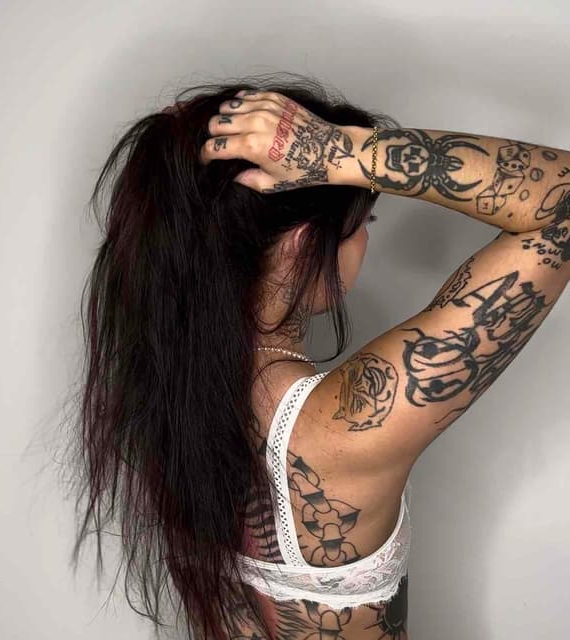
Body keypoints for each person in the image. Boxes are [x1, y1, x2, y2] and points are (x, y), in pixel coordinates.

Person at [65, 76, 569, 640]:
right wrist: (339, 153)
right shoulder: (342, 425)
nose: (366, 243)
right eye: (363, 225)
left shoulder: (161, 389)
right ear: (304, 244)